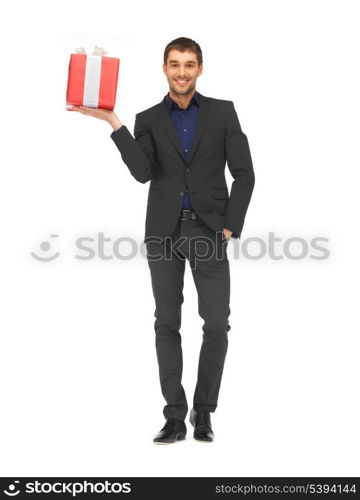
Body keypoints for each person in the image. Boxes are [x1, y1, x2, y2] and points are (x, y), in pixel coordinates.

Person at [67, 37, 255, 444]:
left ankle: (204, 413)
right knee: (166, 323)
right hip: (164, 234)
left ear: (200, 68)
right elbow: (143, 172)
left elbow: (245, 173)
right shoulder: (148, 117)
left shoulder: (223, 113)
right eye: (174, 64)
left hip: (209, 231)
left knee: (217, 325)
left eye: (189, 64)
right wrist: (114, 123)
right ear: (165, 68)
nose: (182, 71)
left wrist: (229, 226)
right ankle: (174, 416)